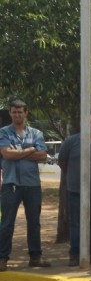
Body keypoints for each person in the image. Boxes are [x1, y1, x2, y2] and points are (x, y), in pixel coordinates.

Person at [0, 99, 50, 271]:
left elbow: (42, 155)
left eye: (20, 112)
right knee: (7, 222)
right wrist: (30, 150)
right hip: (10, 183)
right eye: (14, 112)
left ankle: (35, 257)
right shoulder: (4, 132)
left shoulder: (36, 133)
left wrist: (18, 153)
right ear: (10, 113)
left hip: (32, 184)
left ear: (26, 113)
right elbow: (6, 155)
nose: (17, 115)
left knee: (34, 222)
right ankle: (2, 258)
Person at [58, 112, 91, 266]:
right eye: (89, 122)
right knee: (75, 223)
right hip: (75, 190)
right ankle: (74, 255)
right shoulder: (71, 141)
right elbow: (62, 162)